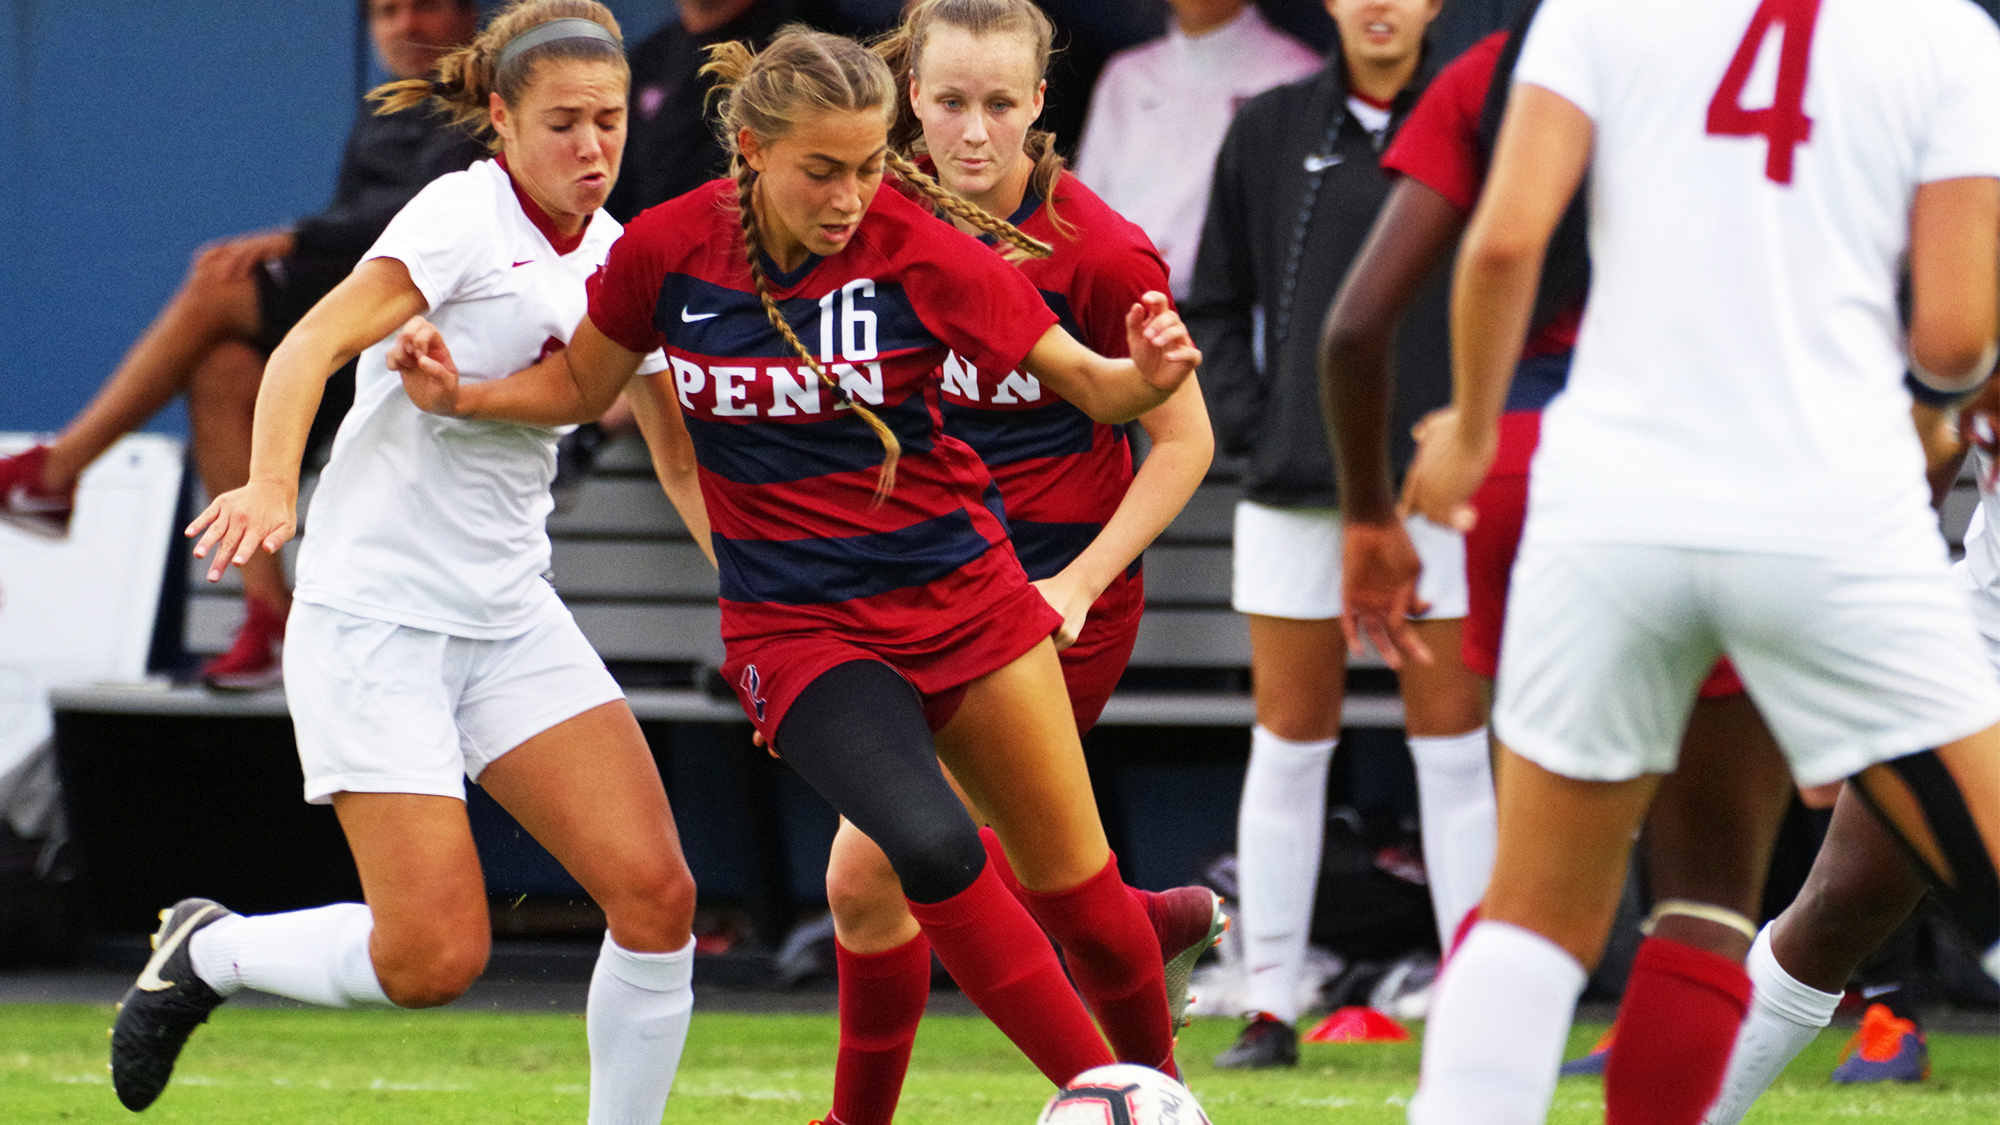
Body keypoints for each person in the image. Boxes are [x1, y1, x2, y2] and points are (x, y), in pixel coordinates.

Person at [388, 24, 1203, 1093]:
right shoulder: (666, 251)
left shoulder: (921, 246)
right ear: (752, 151)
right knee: (926, 853)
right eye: (822, 169)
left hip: (965, 599)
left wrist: (1144, 373)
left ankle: (1163, 1097)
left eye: (869, 168)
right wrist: (468, 397)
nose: (850, 197)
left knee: (1087, 905)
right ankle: (1106, 1098)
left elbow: (1099, 392)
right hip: (801, 630)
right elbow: (582, 390)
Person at [1399, 0, 2000, 1120]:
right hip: (1826, 510)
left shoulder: (1597, 12)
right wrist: (1931, 413)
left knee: (1531, 920)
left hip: (1612, 505)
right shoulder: (1944, 33)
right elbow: (1957, 334)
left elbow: (1505, 241)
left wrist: (1475, 427)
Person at [110, 7, 699, 1122]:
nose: (590, 147)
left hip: (509, 615)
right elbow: (306, 345)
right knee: (433, 961)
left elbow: (676, 454)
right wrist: (274, 484)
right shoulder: (458, 212)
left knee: (658, 896)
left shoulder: (624, 258)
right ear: (500, 119)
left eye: (609, 122)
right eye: (562, 122)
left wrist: (762, 595)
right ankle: (214, 949)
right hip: (376, 618)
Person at [1322, 8, 1801, 1116]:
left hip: (1534, 465)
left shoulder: (1501, 68)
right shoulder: (1807, 63)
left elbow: (1353, 330)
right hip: (1745, 466)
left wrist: (1364, 521)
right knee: (1707, 898)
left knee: (1536, 890)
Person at [808, 3, 1220, 1122]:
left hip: (1051, 597)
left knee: (872, 872)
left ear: (1040, 102)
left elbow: (1184, 443)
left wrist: (1080, 583)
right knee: (995, 885)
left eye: (999, 104)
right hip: (917, 587)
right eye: (947, 103)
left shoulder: (1097, 249)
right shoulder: (868, 215)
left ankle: (1144, 1093)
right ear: (908, 101)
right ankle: (1149, 943)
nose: (972, 132)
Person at [0, 0, 486, 690]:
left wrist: (295, 236)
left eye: (426, 7)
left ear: (470, 15)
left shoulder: (485, 99)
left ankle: (55, 473)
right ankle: (269, 616)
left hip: (418, 346)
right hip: (348, 337)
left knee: (219, 288)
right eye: (385, 11)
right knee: (222, 368)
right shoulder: (384, 107)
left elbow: (422, 219)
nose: (405, 26)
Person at [1183, 0, 1476, 1070]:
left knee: (1451, 755)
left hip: (1443, 500)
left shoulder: (1483, 121)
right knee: (1287, 747)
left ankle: (1477, 1000)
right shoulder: (1265, 128)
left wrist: (1476, 435)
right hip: (1294, 496)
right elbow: (1212, 304)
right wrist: (1267, 433)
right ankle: (1267, 1008)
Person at [1075, 0, 1321, 299]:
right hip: (1119, 309)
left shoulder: (1297, 77)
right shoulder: (1125, 75)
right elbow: (1085, 216)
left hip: (1233, 316)